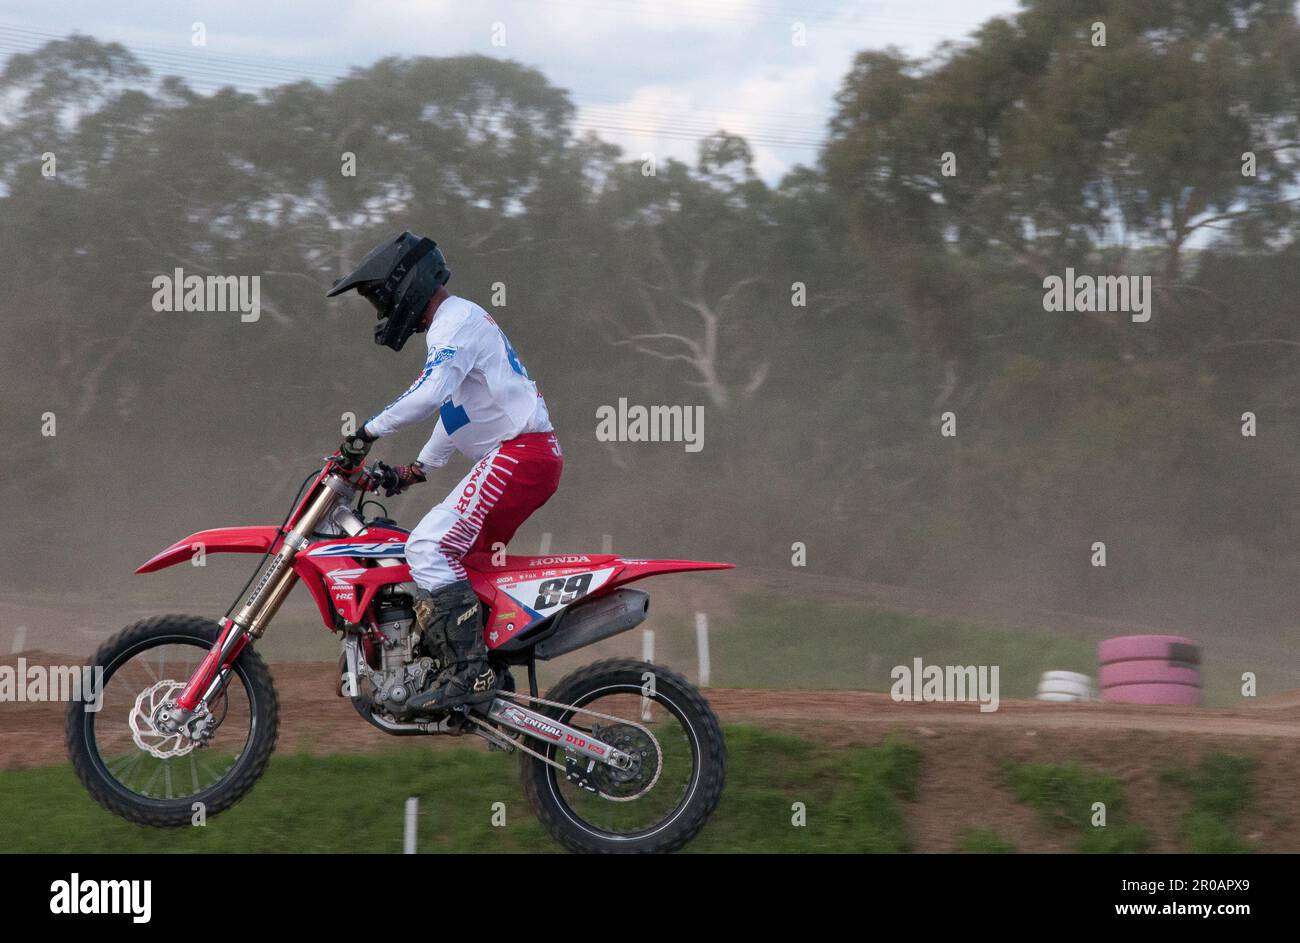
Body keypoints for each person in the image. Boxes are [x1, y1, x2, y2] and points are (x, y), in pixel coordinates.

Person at [327, 232, 562, 710]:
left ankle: (470, 676)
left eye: (380, 299)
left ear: (406, 285)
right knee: (459, 563)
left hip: (522, 454)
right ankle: (484, 671)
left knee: (429, 546)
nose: (381, 311)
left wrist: (365, 433)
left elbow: (433, 392)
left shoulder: (454, 323)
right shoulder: (458, 324)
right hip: (525, 455)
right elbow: (459, 411)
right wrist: (414, 471)